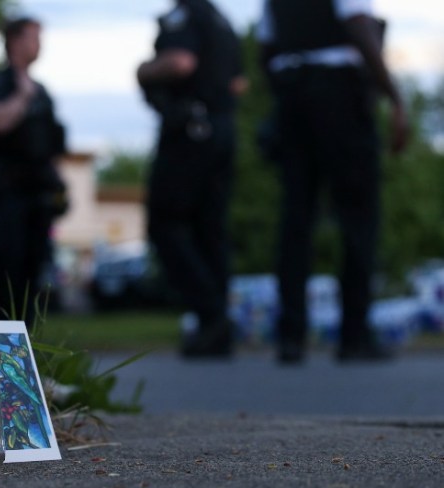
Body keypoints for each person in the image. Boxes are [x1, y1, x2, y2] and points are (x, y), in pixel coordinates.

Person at [256, 0, 409, 363]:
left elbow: (266, 48)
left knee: (296, 217)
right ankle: (354, 336)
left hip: (292, 92)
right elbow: (358, 23)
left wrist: (284, 92)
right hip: (338, 94)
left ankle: (291, 337)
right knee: (358, 215)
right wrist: (395, 97)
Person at [136, 0, 245, 358]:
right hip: (222, 128)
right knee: (209, 228)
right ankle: (216, 328)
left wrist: (144, 70)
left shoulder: (185, 16)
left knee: (165, 223)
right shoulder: (223, 22)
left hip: (189, 130)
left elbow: (181, 61)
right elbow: (239, 84)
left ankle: (211, 315)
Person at [0, 16, 68, 321]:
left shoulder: (43, 92)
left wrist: (59, 185)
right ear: (14, 40)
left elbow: (53, 146)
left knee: (33, 268)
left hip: (38, 195)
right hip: (7, 193)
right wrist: (22, 95)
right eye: (32, 37)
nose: (38, 44)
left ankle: (25, 336)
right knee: (5, 265)